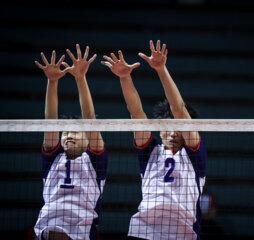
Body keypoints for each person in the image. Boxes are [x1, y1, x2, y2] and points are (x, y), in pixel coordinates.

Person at [102, 40, 207, 240]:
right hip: (144, 231)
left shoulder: (195, 156)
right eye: (168, 128)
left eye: (179, 129)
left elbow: (180, 111)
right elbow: (136, 114)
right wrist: (125, 78)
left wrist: (161, 69)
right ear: (160, 131)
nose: (173, 133)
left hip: (183, 233)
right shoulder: (150, 152)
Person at [34, 44, 108, 240]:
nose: (68, 135)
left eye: (75, 131)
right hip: (49, 228)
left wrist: (80, 78)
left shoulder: (95, 162)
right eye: (65, 132)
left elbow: (90, 118)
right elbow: (50, 121)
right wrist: (52, 82)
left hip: (81, 231)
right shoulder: (52, 159)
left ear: (87, 139)